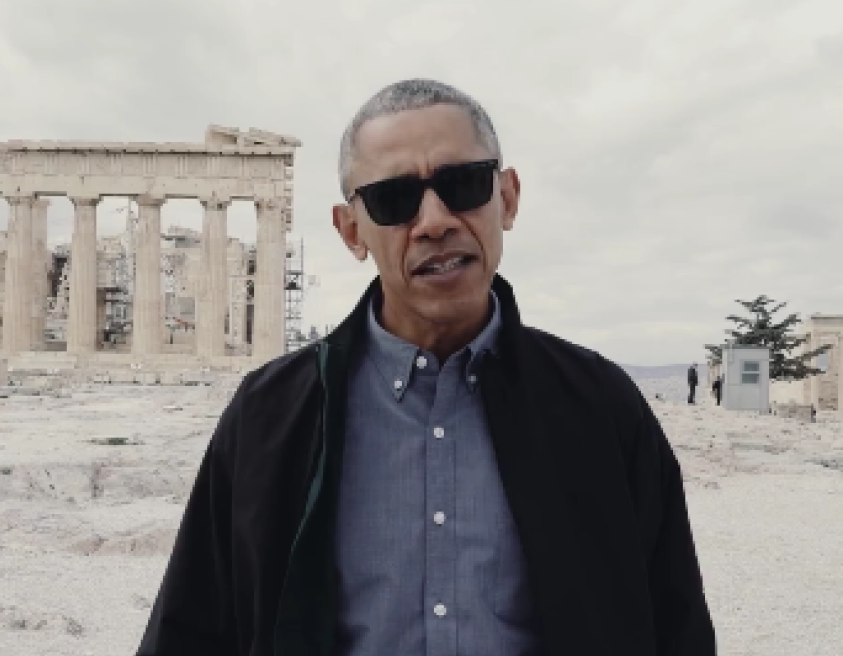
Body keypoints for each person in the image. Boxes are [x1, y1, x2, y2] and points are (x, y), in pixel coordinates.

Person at [135, 79, 715, 656]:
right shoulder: (267, 414)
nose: (435, 221)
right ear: (351, 230)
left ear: (507, 198)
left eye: (463, 185)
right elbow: (192, 627)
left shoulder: (601, 406)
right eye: (394, 199)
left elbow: (676, 626)